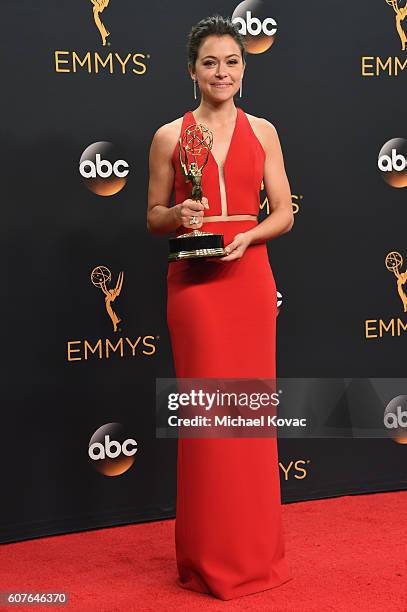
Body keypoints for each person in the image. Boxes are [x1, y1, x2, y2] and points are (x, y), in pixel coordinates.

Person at [147, 14, 294, 601]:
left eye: (232, 61)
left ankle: (257, 556)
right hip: (196, 282)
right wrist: (179, 216)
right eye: (210, 62)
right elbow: (153, 215)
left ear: (243, 67)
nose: (222, 72)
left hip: (249, 276)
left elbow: (283, 212)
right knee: (210, 423)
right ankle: (207, 560)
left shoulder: (265, 131)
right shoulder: (168, 137)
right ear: (192, 70)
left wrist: (249, 237)